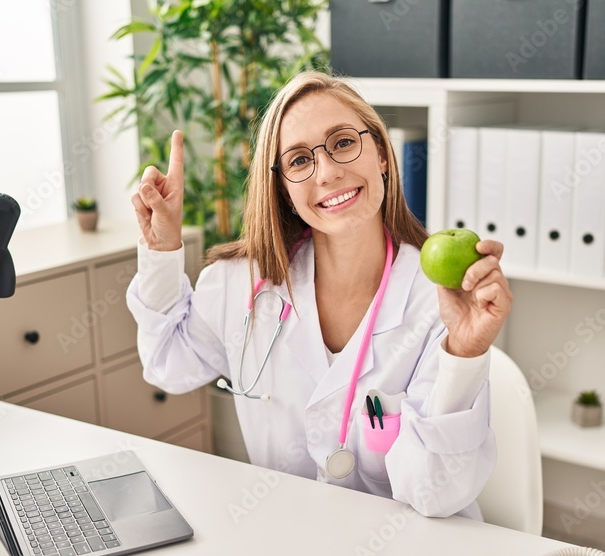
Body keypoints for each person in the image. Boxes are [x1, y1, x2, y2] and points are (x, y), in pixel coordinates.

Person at [127, 71, 512, 519]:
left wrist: (464, 352)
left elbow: (435, 493)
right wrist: (161, 249)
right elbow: (167, 366)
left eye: (344, 142)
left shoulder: (439, 301)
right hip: (293, 546)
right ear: (285, 192)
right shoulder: (241, 283)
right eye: (298, 161)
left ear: (383, 155)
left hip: (413, 554)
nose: (328, 172)